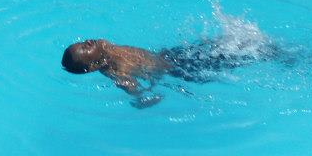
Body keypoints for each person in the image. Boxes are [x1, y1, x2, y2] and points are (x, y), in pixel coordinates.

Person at [62, 37, 278, 108]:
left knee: (224, 44)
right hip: (181, 70)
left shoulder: (102, 48)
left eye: (81, 43)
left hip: (170, 55)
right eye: (84, 48)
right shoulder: (115, 71)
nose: (87, 42)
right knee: (235, 57)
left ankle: (256, 45)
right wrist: (141, 98)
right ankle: (272, 54)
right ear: (92, 66)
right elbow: (129, 85)